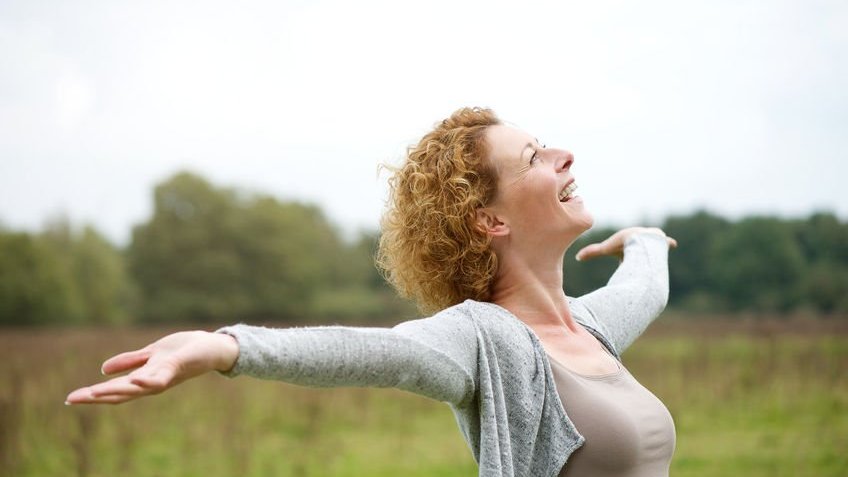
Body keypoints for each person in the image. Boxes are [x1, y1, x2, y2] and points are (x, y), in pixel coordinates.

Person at [67, 107, 678, 477]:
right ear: (490, 221)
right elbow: (372, 351)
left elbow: (644, 288)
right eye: (535, 157)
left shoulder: (589, 329)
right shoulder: (482, 340)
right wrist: (223, 346)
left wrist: (645, 241)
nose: (564, 155)